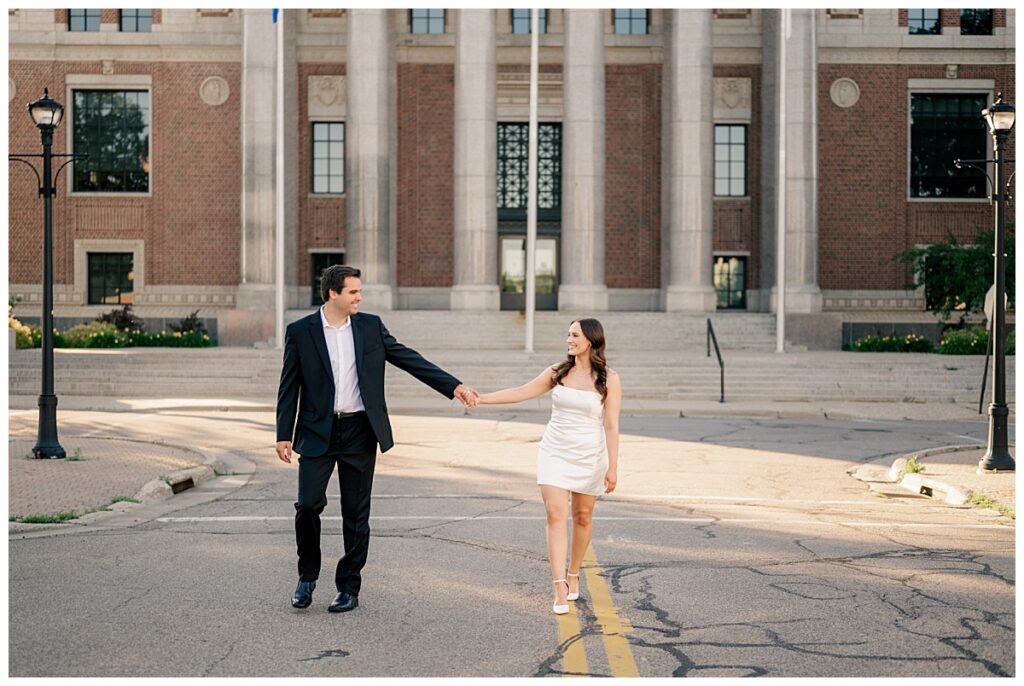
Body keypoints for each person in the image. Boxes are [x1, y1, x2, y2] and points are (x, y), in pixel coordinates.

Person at [276, 265, 478, 613]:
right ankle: (307, 575)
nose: (360, 297)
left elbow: (409, 358)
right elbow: (288, 385)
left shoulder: (370, 327)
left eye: (359, 291)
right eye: (353, 292)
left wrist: (454, 386)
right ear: (332, 294)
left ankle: (348, 586)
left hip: (359, 431)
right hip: (316, 431)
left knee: (356, 513)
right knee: (308, 504)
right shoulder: (301, 331)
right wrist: (283, 433)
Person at [472, 318, 620, 614]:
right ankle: (558, 586)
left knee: (582, 517)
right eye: (568, 334)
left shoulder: (609, 379)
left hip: (590, 455)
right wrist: (482, 398)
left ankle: (574, 573)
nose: (569, 339)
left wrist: (612, 467)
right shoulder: (557, 372)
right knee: (555, 513)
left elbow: (612, 425)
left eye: (574, 335)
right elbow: (520, 391)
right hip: (555, 450)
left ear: (590, 340)